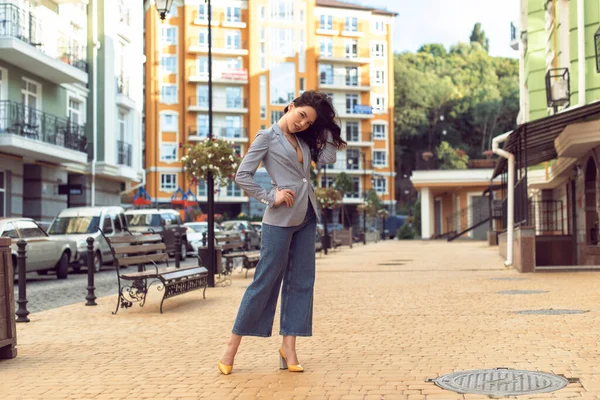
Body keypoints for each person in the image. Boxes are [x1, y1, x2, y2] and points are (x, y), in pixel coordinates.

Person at [218, 90, 346, 375]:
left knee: (301, 283)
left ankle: (289, 348)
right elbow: (242, 175)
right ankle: (231, 346)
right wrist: (269, 196)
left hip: (307, 215)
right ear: (290, 107)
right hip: (278, 218)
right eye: (301, 115)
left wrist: (324, 126)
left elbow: (328, 158)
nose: (302, 124)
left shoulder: (304, 140)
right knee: (264, 283)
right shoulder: (266, 137)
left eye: (308, 122)